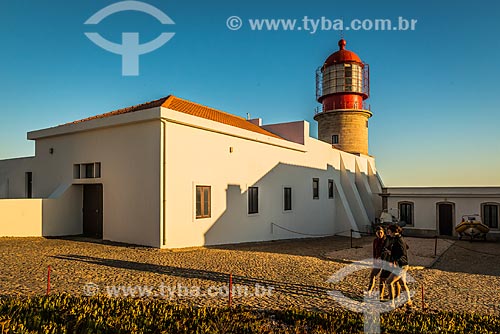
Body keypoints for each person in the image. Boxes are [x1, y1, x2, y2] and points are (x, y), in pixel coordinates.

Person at [384, 224, 412, 307]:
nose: (388, 233)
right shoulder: (398, 238)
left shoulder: (398, 240)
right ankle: (409, 301)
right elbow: (406, 247)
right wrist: (391, 252)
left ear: (393, 231)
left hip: (401, 265)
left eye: (389, 231)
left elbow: (402, 252)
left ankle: (392, 303)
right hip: (403, 264)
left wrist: (394, 257)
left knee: (389, 282)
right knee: (402, 283)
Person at [367, 226, 386, 296]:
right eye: (378, 233)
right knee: (372, 275)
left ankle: (382, 294)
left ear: (383, 233)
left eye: (381, 233)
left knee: (383, 279)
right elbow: (374, 251)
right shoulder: (375, 241)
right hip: (378, 261)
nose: (380, 234)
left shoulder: (386, 240)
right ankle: (369, 290)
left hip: (385, 261)